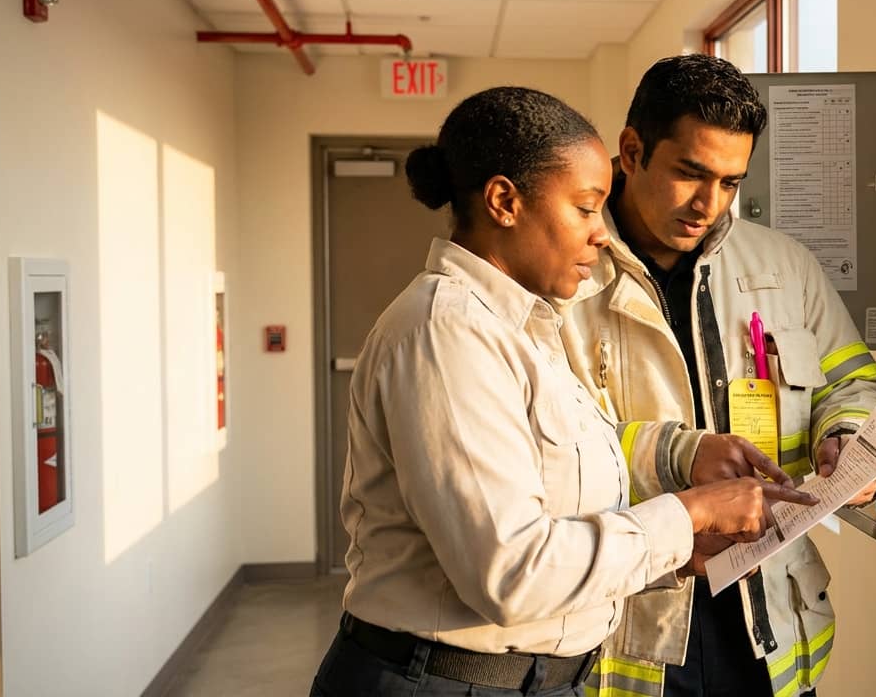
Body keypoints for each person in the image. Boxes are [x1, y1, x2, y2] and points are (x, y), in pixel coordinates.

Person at [309, 86, 816, 697]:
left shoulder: (522, 327)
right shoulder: (446, 333)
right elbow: (512, 573)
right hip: (447, 681)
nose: (602, 235)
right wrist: (689, 514)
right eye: (585, 208)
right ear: (504, 202)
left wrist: (679, 540)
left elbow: (563, 500)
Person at [560, 56, 876, 697]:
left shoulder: (784, 266)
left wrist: (847, 436)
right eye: (689, 173)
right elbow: (546, 448)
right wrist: (679, 458)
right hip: (629, 627)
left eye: (729, 182)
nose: (707, 204)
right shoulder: (567, 273)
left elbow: (852, 383)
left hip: (768, 626)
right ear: (631, 152)